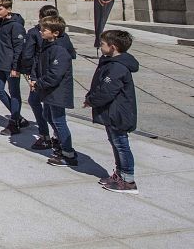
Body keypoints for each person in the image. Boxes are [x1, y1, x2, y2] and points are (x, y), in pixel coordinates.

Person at [84, 30, 140, 194]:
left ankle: (128, 180)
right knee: (116, 143)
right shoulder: (110, 62)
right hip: (112, 112)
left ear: (113, 47)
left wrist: (91, 101)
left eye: (102, 44)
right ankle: (120, 174)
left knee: (121, 145)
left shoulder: (118, 67)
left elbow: (107, 91)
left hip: (118, 113)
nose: (100, 46)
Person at [31, 16, 78, 167]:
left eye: (44, 30)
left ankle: (68, 153)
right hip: (48, 91)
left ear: (55, 33)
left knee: (59, 120)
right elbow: (39, 65)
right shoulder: (46, 46)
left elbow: (55, 74)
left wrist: (39, 83)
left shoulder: (60, 50)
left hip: (58, 91)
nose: (41, 32)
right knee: (47, 115)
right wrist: (35, 79)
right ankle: (58, 142)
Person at [20, 4, 61, 150]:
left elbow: (28, 54)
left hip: (39, 74)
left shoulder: (34, 32)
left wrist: (26, 71)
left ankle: (45, 135)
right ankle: (57, 136)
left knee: (35, 101)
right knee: (52, 108)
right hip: (55, 74)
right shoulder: (61, 34)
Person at [0, 0, 27, 136]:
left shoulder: (16, 25)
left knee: (14, 93)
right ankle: (17, 116)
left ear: (9, 9)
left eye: (0, 9)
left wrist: (15, 67)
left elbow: (19, 47)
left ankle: (14, 123)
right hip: (0, 63)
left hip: (11, 65)